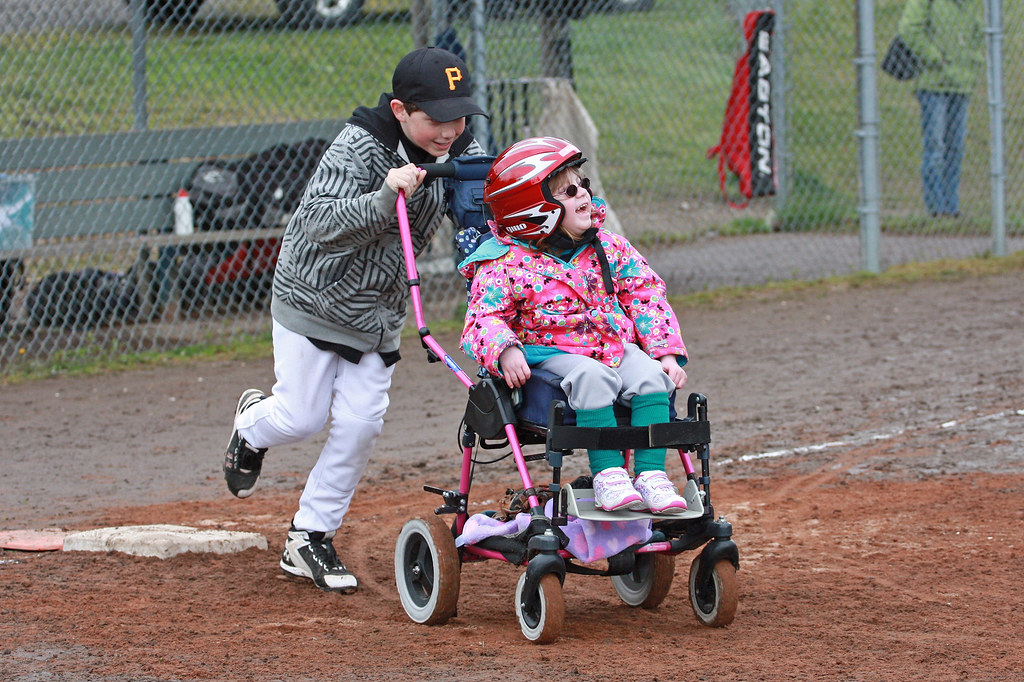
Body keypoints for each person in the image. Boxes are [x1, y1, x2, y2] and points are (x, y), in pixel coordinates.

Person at [222, 46, 488, 594]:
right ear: (399, 111)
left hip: (379, 312)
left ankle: (309, 537)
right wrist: (382, 196)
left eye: (458, 116)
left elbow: (480, 208)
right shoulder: (359, 146)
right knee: (300, 417)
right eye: (436, 118)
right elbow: (317, 222)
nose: (450, 130)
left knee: (361, 424)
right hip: (314, 298)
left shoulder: (461, 147)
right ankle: (251, 426)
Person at [459, 136, 690, 514]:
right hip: (552, 352)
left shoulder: (608, 246)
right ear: (532, 209)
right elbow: (483, 318)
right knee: (591, 377)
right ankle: (608, 476)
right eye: (569, 190)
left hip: (611, 344)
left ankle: (650, 475)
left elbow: (646, 295)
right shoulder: (503, 263)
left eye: (583, 185)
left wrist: (664, 352)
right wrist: (505, 349)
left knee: (653, 378)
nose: (583, 194)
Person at [897, 0, 984, 218]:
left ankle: (951, 206)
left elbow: (977, 31)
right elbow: (909, 28)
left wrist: (972, 59)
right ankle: (936, 208)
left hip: (961, 83)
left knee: (955, 147)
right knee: (935, 146)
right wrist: (935, 58)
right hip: (932, 83)